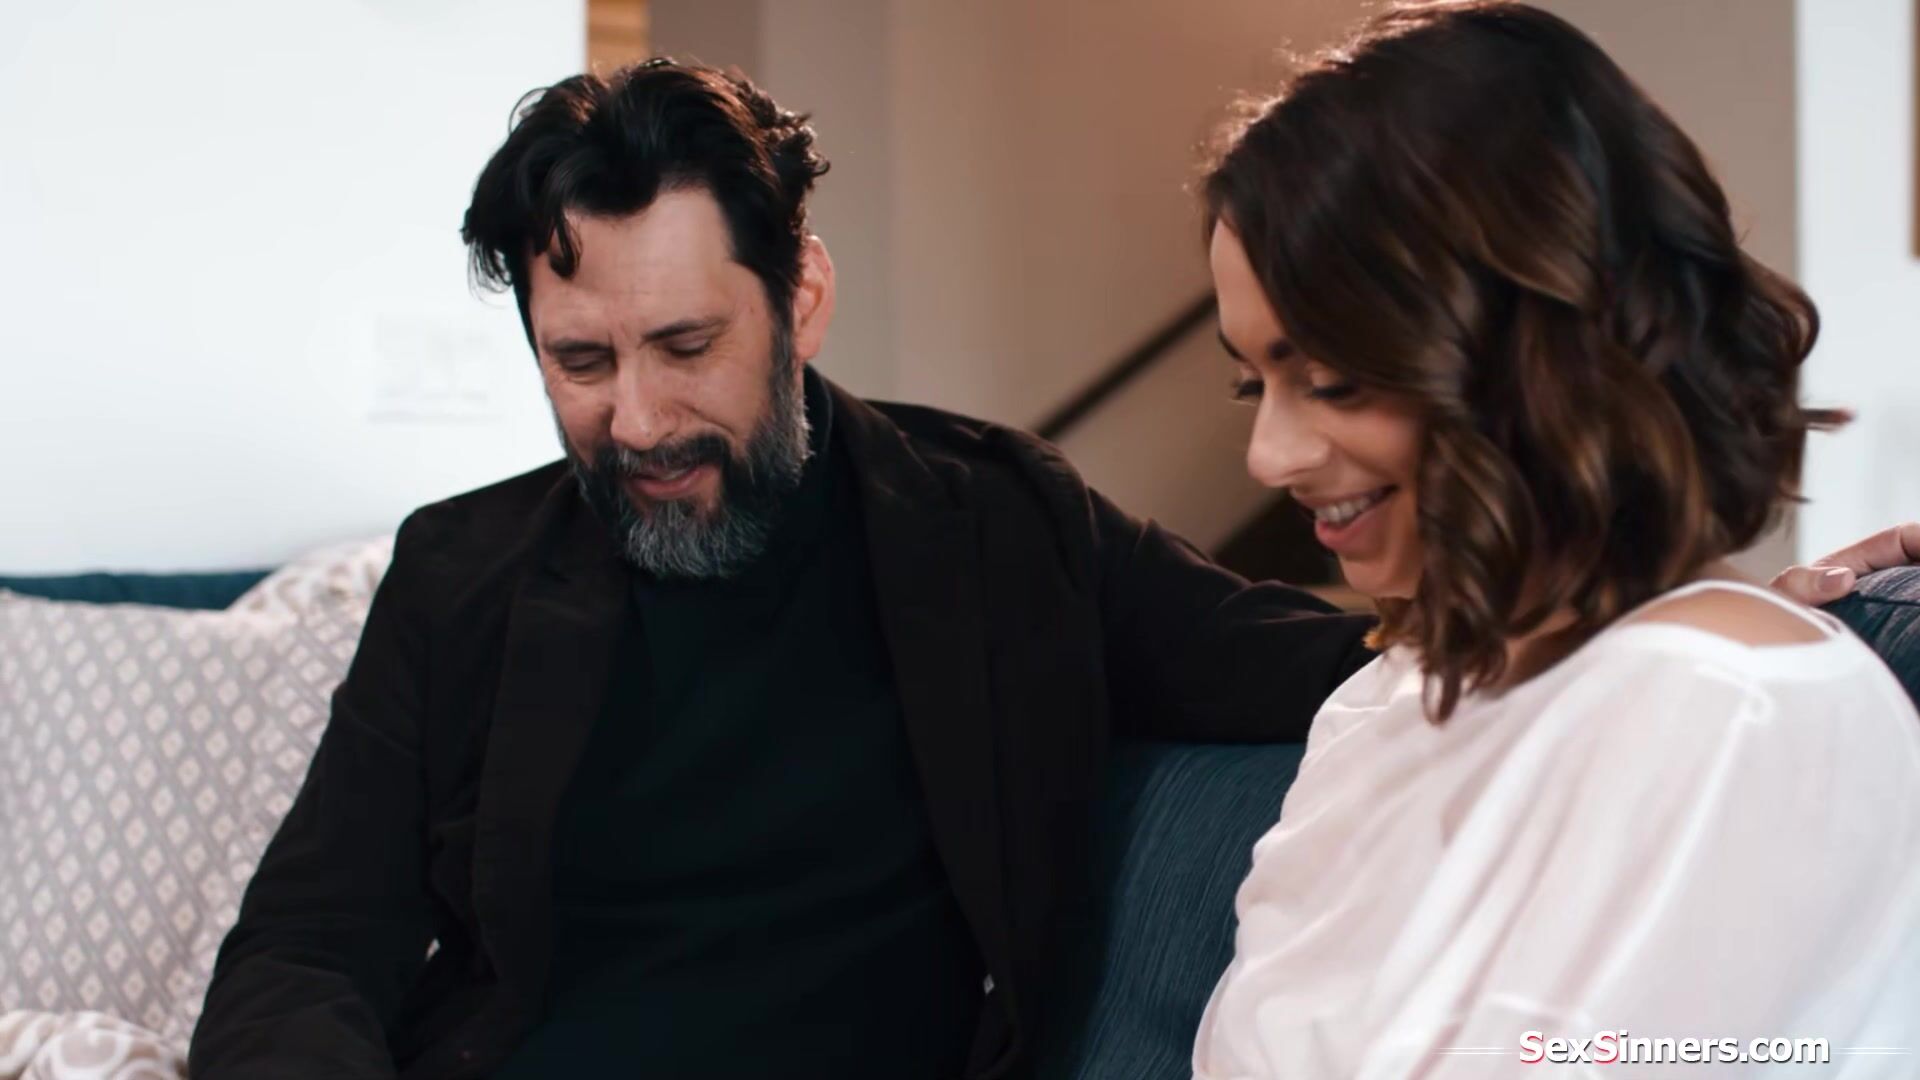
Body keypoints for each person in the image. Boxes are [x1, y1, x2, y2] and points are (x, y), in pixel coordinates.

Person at [186, 54, 1906, 1080]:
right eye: (580, 363)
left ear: (801, 296)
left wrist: (1666, 597)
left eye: (687, 346)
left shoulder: (995, 521)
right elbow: (307, 946)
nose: (636, 418)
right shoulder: (462, 575)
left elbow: (1336, 655)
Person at [1190, 4, 1920, 1077]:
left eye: (1333, 380)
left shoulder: (1727, 713)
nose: (1270, 457)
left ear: (1538, 352)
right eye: (1255, 383)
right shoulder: (1388, 699)